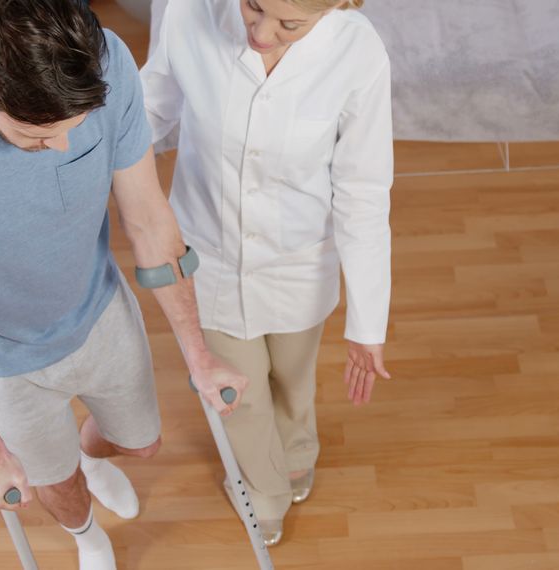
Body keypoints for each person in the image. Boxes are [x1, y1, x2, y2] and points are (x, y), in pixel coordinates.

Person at [0, 1, 248, 568]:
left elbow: (148, 218)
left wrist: (199, 356)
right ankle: (88, 537)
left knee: (142, 444)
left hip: (99, 309)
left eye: (74, 131)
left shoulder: (104, 60)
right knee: (54, 486)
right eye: (38, 137)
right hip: (3, 356)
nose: (62, 148)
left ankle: (91, 458)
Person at [141, 0, 393, 545]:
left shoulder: (358, 50)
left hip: (299, 261)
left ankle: (298, 451)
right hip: (207, 253)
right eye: (253, 7)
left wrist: (367, 324)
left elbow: (363, 192)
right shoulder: (191, 13)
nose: (259, 35)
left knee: (291, 376)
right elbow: (150, 109)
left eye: (288, 25)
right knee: (242, 395)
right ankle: (264, 489)